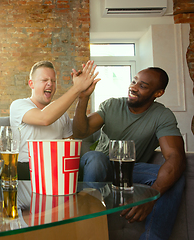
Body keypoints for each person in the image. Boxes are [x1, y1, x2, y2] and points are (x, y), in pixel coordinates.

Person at [72, 67, 186, 240]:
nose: (133, 87)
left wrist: (150, 196)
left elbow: (175, 157)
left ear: (158, 93)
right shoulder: (112, 105)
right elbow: (81, 132)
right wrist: (83, 97)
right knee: (97, 158)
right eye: (134, 81)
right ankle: (91, 231)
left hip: (130, 170)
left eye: (143, 85)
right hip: (99, 165)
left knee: (175, 175)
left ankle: (152, 237)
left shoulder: (162, 115)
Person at [10, 60, 100, 179]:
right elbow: (44, 118)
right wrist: (77, 88)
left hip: (57, 170)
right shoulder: (18, 105)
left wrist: (82, 95)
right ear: (31, 84)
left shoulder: (62, 115)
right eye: (44, 80)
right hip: (28, 169)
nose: (50, 84)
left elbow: (70, 150)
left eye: (53, 81)